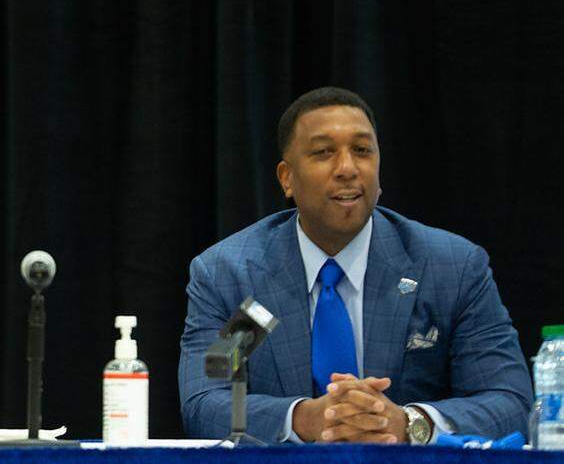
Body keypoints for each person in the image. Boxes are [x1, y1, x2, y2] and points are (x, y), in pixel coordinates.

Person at [178, 86, 531, 444]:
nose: (347, 168)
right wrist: (305, 417)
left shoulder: (451, 268)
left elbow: (510, 400)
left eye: (362, 151)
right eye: (323, 153)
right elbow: (206, 403)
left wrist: (409, 423)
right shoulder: (233, 275)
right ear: (287, 178)